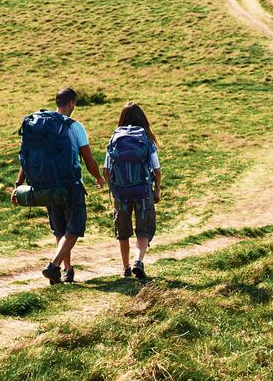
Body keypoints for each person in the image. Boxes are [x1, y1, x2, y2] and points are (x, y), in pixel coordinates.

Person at [13, 87, 104, 284]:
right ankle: (54, 266)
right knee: (74, 228)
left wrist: (18, 184)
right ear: (71, 103)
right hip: (70, 184)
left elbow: (26, 157)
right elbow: (88, 160)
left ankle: (67, 270)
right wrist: (99, 178)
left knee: (59, 229)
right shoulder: (74, 126)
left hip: (46, 185)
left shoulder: (41, 126)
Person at [104, 102, 162, 281]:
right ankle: (138, 261)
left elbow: (106, 170)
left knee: (123, 230)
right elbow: (157, 170)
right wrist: (157, 190)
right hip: (143, 191)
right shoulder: (146, 139)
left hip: (121, 193)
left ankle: (125, 267)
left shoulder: (115, 138)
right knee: (143, 229)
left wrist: (114, 188)